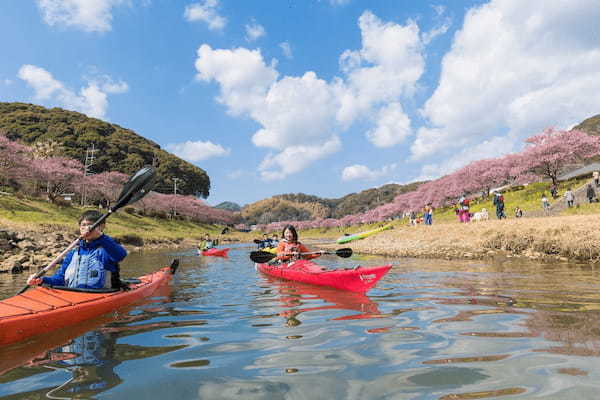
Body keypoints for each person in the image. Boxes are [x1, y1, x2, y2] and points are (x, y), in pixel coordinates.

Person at [27, 210, 127, 289]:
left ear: (102, 227)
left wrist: (101, 236)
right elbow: (60, 279)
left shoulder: (106, 249)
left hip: (101, 295)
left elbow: (121, 255)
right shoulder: (73, 253)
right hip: (74, 296)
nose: (87, 228)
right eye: (83, 225)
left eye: (91, 225)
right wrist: (42, 280)